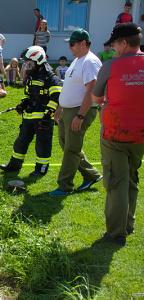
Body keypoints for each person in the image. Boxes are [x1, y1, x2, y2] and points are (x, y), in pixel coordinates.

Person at [92, 23, 144, 246]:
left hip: (115, 134)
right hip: (140, 135)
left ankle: (116, 233)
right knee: (131, 177)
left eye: (114, 44)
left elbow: (96, 98)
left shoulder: (110, 66)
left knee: (116, 182)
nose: (112, 48)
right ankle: (128, 224)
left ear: (124, 43)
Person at [49, 29, 103, 196]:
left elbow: (91, 89)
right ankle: (91, 175)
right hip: (69, 110)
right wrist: (61, 106)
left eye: (72, 44)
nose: (70, 47)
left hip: (80, 111)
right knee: (66, 145)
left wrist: (80, 115)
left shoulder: (90, 62)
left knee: (71, 148)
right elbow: (70, 87)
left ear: (83, 43)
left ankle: (65, 186)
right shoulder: (77, 60)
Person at [0, 46, 62, 176]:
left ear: (38, 60)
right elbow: (31, 95)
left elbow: (56, 98)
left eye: (29, 62)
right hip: (29, 116)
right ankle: (14, 165)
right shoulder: (32, 75)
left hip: (43, 119)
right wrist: (24, 103)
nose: (27, 65)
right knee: (21, 142)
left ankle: (41, 169)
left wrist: (48, 115)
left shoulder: (50, 77)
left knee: (42, 145)